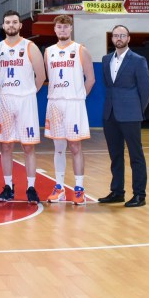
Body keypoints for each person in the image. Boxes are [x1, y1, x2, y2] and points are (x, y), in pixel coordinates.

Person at [0, 9, 46, 204]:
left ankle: (31, 188)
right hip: (4, 100)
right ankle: (8, 187)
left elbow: (41, 76)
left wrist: (28, 93)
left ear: (20, 25)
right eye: (8, 22)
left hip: (25, 101)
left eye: (15, 22)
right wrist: (6, 90)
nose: (11, 25)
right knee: (5, 146)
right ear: (3, 25)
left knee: (28, 146)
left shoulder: (30, 46)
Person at [98, 25, 149, 208]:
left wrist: (137, 109)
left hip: (131, 114)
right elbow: (109, 86)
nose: (119, 38)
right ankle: (117, 192)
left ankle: (139, 195)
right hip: (110, 114)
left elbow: (146, 88)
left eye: (122, 35)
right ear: (112, 38)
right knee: (115, 155)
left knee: (136, 156)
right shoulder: (106, 59)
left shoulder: (138, 60)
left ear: (128, 38)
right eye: (116, 35)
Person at [44, 15, 95, 205]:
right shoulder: (48, 51)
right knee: (58, 148)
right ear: (54, 29)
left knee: (75, 147)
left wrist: (79, 98)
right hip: (55, 103)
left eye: (66, 27)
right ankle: (59, 188)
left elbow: (91, 79)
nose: (63, 30)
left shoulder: (81, 50)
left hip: (74, 104)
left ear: (71, 28)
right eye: (59, 27)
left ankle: (79, 189)